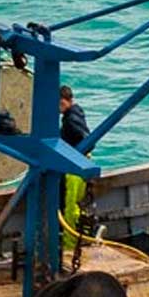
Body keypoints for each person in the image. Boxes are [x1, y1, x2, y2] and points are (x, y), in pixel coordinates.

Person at [59, 86, 90, 252]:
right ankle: (84, 237)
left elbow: (87, 139)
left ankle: (70, 246)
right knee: (79, 205)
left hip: (74, 170)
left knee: (71, 209)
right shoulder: (76, 113)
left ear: (63, 101)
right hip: (79, 165)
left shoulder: (70, 119)